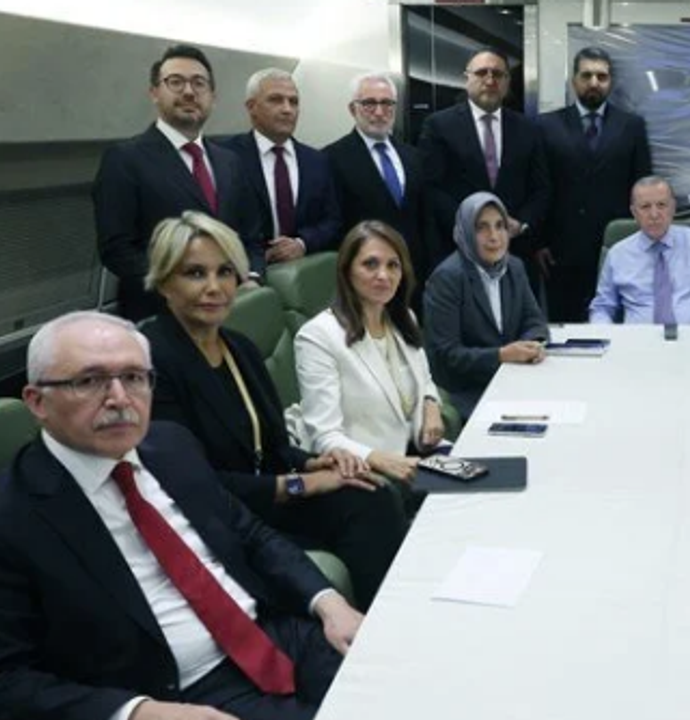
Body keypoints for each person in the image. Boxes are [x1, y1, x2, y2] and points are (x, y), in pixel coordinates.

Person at [0, 311, 364, 720]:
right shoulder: (13, 515)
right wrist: (137, 712)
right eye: (89, 381)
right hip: (177, 694)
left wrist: (329, 603)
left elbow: (251, 534)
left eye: (134, 377)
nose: (120, 398)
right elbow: (9, 678)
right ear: (37, 401)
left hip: (275, 636)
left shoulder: (172, 445)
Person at [142, 211, 407, 612]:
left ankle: (390, 615)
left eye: (225, 272)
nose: (214, 287)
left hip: (270, 497)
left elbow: (275, 448)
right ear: (164, 282)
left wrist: (316, 462)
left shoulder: (240, 348)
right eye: (195, 273)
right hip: (220, 517)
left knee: (370, 493)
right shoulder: (151, 360)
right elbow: (195, 485)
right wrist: (303, 483)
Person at [94, 43, 262, 320]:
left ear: (212, 97)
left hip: (231, 309)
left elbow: (252, 235)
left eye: (199, 83)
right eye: (176, 82)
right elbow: (117, 249)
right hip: (161, 315)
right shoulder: (125, 159)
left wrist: (252, 276)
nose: (189, 92)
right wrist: (182, 285)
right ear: (154, 93)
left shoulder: (230, 161)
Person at [295, 221, 446, 484]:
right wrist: (383, 460)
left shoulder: (403, 318)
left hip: (416, 451)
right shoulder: (318, 336)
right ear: (347, 271)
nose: (383, 275)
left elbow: (425, 380)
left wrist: (431, 404)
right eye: (370, 264)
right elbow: (325, 436)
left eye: (393, 265)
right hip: (367, 469)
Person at [420, 48, 551, 297]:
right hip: (459, 252)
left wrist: (521, 224)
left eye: (498, 74)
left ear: (507, 82)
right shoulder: (439, 126)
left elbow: (541, 188)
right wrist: (472, 225)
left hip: (516, 253)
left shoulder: (528, 129)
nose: (490, 80)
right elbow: (432, 188)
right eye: (482, 73)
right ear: (467, 78)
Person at [537, 46, 653, 322]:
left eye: (601, 76)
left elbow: (643, 187)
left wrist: (644, 240)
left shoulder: (631, 126)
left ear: (610, 82)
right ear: (574, 80)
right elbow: (539, 186)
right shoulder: (546, 126)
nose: (594, 83)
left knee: (618, 328)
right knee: (566, 328)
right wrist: (538, 242)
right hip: (561, 251)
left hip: (617, 246)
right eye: (586, 75)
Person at [423, 193, 550, 420]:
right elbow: (446, 356)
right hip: (467, 393)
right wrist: (501, 356)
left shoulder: (514, 267)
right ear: (465, 232)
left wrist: (531, 345)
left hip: (514, 379)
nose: (494, 237)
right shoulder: (447, 278)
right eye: (482, 228)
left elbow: (534, 321)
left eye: (500, 226)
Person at [324, 72, 435, 296]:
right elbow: (334, 225)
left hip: (414, 278)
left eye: (387, 103)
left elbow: (425, 219)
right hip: (366, 281)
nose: (379, 112)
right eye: (369, 104)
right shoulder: (331, 159)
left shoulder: (413, 157)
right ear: (352, 109)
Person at [223, 68, 343, 261]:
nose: (287, 109)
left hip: (302, 270)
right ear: (251, 107)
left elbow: (332, 221)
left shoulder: (317, 160)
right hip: (244, 270)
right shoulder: (227, 157)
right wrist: (257, 257)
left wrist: (302, 243)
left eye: (293, 102)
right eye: (276, 100)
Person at [589, 176, 690, 331]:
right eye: (645, 207)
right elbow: (602, 307)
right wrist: (603, 330)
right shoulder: (617, 254)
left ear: (673, 208)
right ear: (634, 212)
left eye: (661, 205)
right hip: (637, 339)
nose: (654, 214)